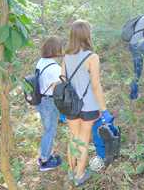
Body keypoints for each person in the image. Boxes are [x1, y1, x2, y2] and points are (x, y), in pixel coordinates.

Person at [62, 20, 113, 187]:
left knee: (73, 137)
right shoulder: (92, 57)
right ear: (87, 35)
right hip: (88, 106)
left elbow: (62, 80)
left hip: (70, 105)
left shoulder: (66, 56)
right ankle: (80, 174)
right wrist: (105, 110)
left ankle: (71, 172)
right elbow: (96, 85)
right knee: (83, 139)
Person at [35, 35, 64, 171]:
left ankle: (43, 155)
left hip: (39, 99)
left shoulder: (41, 61)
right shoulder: (55, 68)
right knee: (50, 131)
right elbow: (56, 92)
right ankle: (45, 162)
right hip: (48, 101)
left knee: (47, 128)